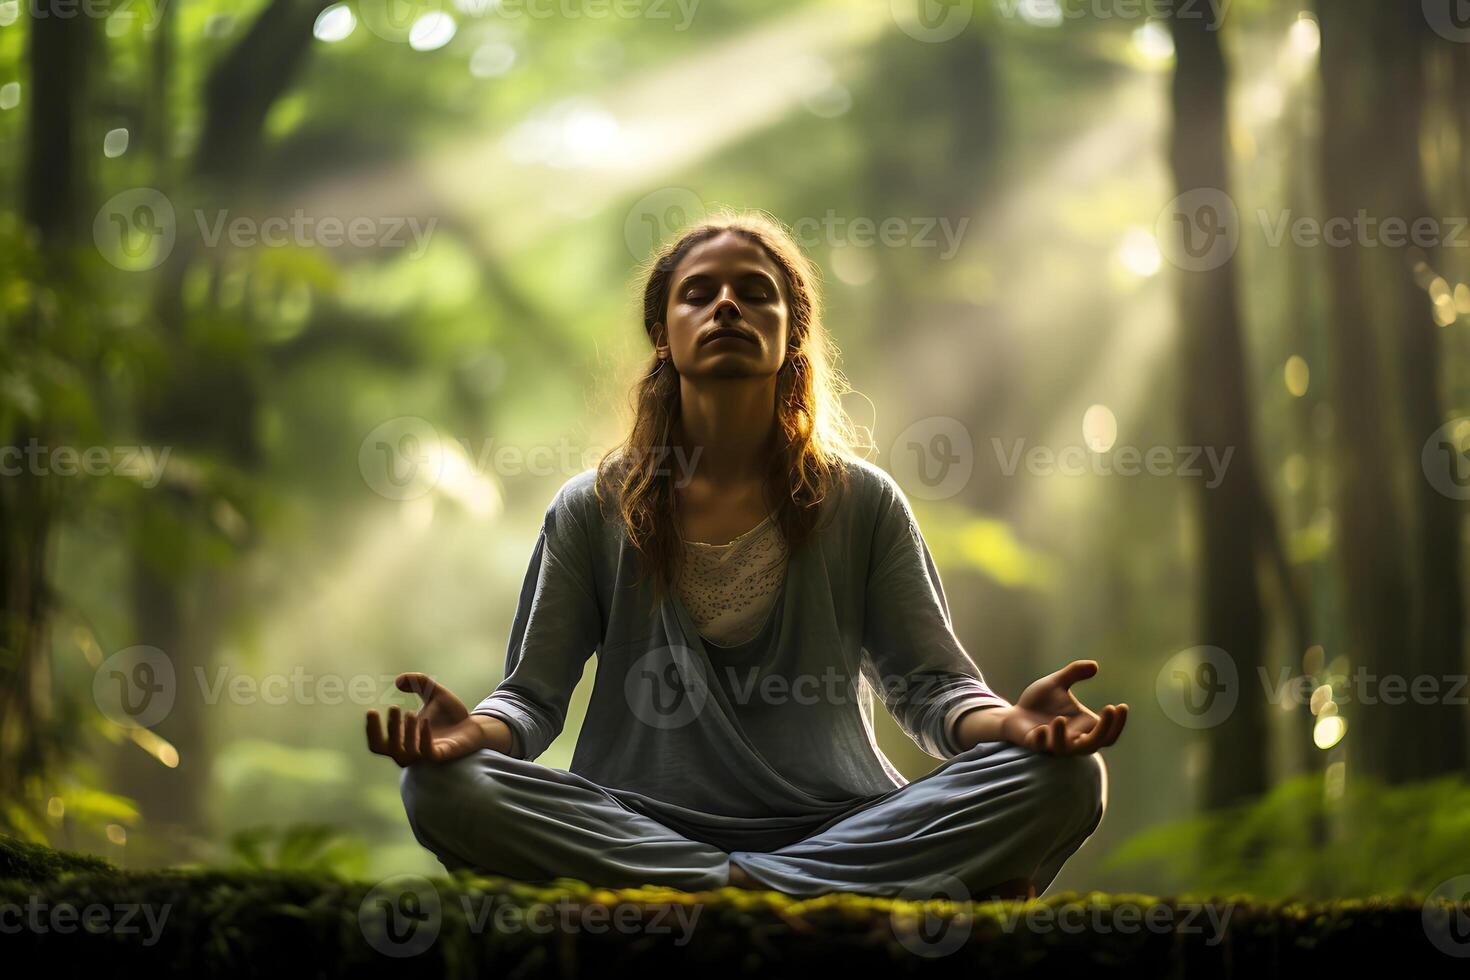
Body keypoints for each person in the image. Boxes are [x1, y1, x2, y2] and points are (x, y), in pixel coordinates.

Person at [365, 210, 1127, 900]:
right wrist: (467, 737)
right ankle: (770, 894)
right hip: (640, 830)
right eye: (698, 293)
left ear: (792, 331)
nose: (726, 305)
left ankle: (732, 892)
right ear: (663, 333)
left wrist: (1014, 728)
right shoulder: (590, 507)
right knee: (440, 789)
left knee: (1064, 780)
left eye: (755, 293)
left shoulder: (861, 501)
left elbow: (932, 691)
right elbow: (531, 701)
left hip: (840, 828)